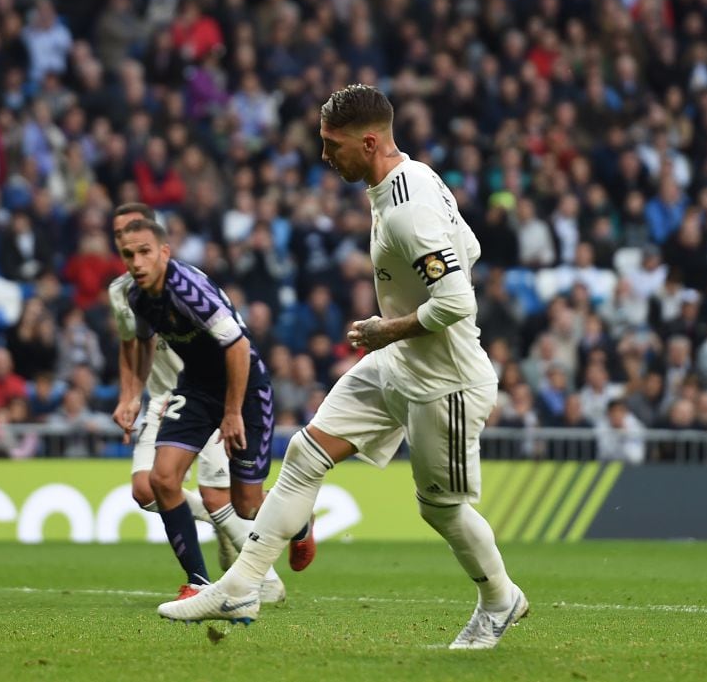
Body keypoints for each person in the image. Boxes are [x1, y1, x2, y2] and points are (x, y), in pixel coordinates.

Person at [158, 84, 527, 650]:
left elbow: (458, 301)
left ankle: (501, 599)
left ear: (370, 142)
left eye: (333, 144)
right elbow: (468, 248)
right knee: (306, 453)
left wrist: (388, 326)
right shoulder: (413, 177)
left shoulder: (407, 210)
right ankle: (242, 584)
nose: (325, 154)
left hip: (445, 381)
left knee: (441, 510)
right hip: (400, 364)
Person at [110, 203, 281, 597]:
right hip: (193, 388)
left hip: (245, 387)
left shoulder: (188, 289)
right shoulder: (133, 296)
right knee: (161, 479)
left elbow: (237, 346)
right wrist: (131, 396)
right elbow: (138, 343)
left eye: (144, 251)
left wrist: (233, 412)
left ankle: (299, 518)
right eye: (128, 253)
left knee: (246, 505)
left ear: (164, 250)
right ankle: (199, 582)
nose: (136, 261)